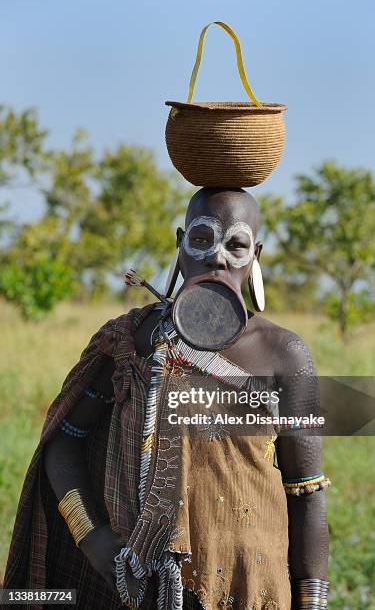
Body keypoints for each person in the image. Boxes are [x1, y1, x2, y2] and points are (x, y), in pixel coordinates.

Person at [3, 187, 330, 610]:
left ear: (256, 256)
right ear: (180, 245)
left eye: (236, 245)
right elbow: (64, 438)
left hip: (252, 588)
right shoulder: (131, 341)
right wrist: (92, 536)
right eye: (201, 239)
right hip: (141, 587)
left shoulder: (284, 353)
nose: (217, 257)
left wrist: (314, 601)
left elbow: (306, 491)